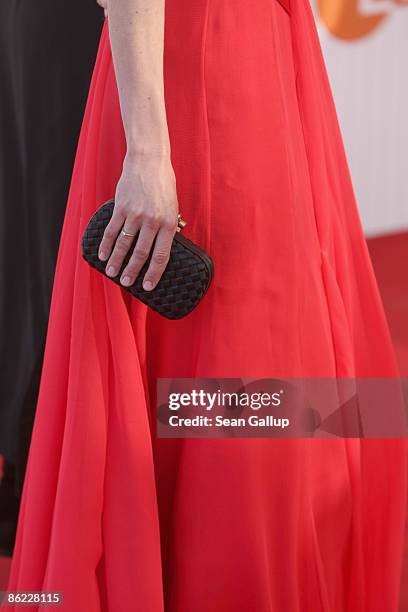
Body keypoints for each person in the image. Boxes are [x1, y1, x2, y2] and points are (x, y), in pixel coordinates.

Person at [7, 0, 407, 610]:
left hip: (264, 63)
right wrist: (146, 152)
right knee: (228, 365)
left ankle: (232, 569)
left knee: (268, 372)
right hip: (192, 80)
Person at [0, 0, 104, 556]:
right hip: (69, 24)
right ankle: (49, 483)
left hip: (43, 24)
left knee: (37, 225)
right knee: (52, 228)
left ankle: (35, 479)